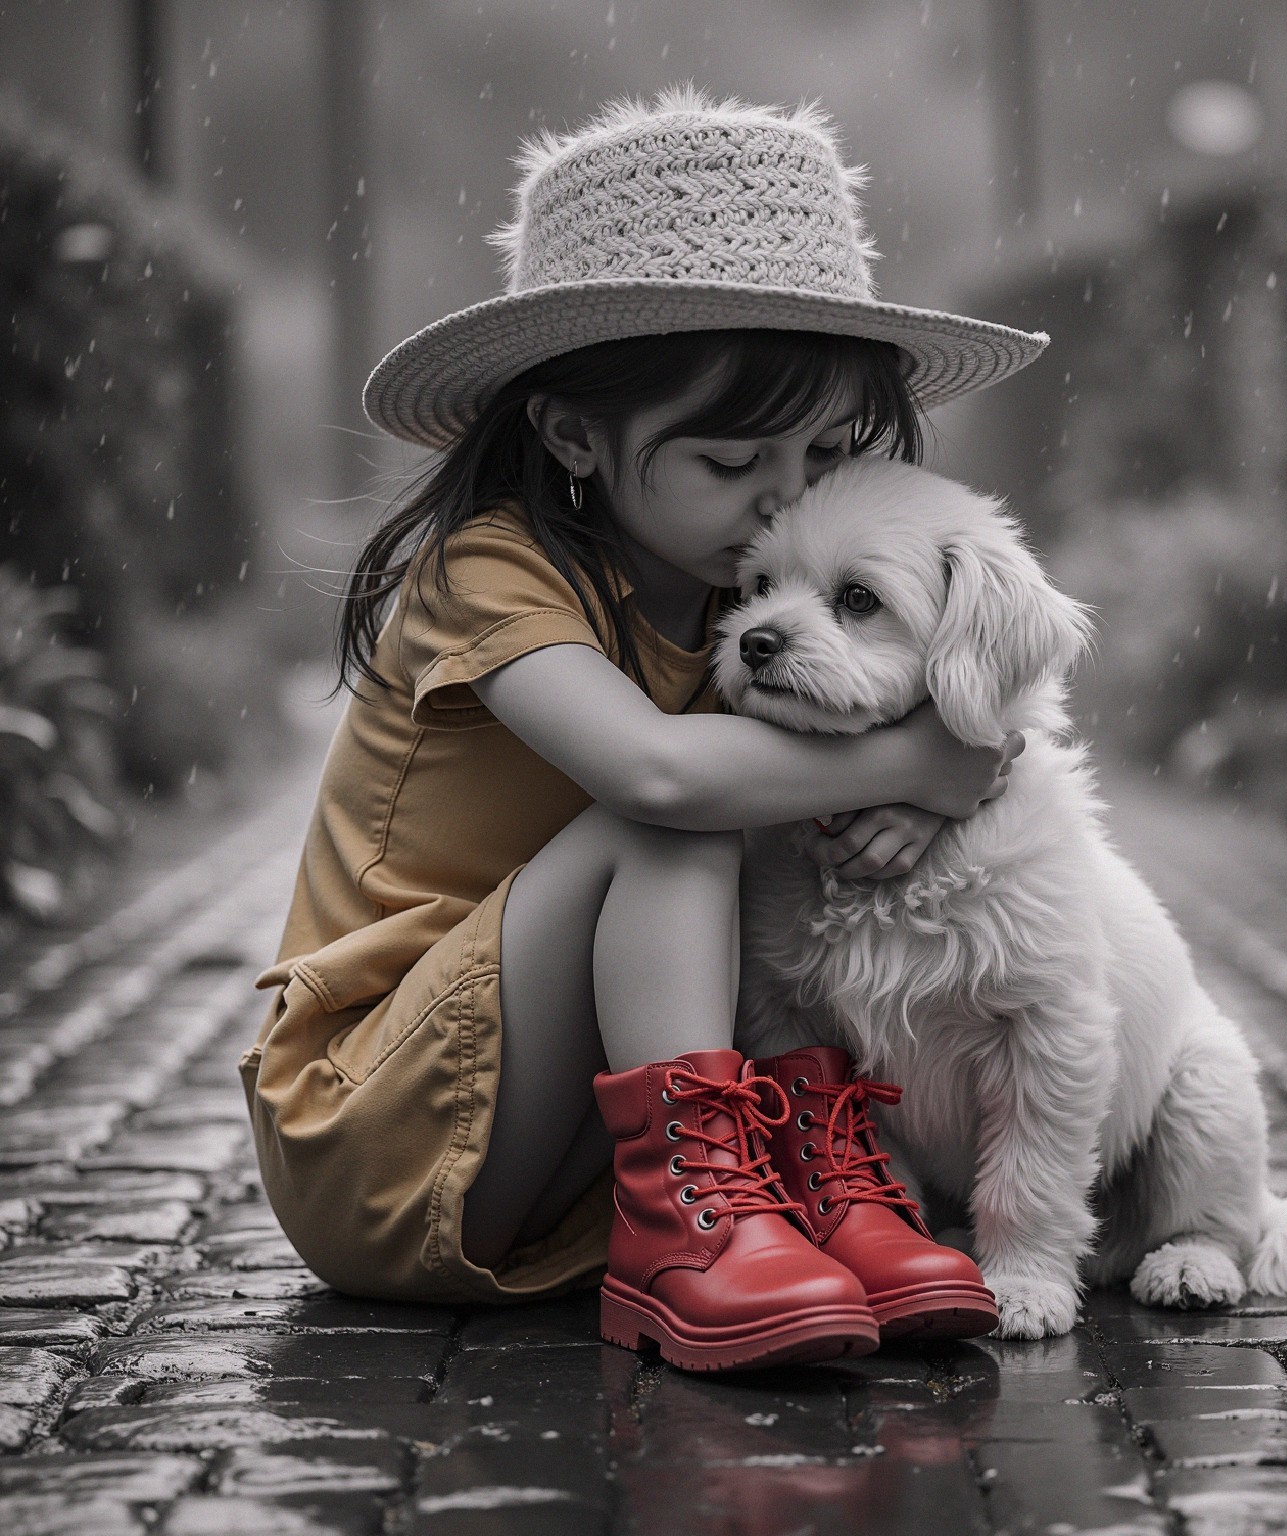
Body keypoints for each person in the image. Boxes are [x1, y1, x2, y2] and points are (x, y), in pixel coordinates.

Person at [240, 86, 1048, 1373]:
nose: (786, 497)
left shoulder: (755, 596)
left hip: (568, 1148)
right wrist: (938, 762)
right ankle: (701, 1235)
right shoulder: (490, 571)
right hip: (378, 1129)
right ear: (571, 433)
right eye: (734, 464)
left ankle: (807, 1183)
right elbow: (657, 771)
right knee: (674, 819)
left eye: (824, 450)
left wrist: (945, 762)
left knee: (788, 847)